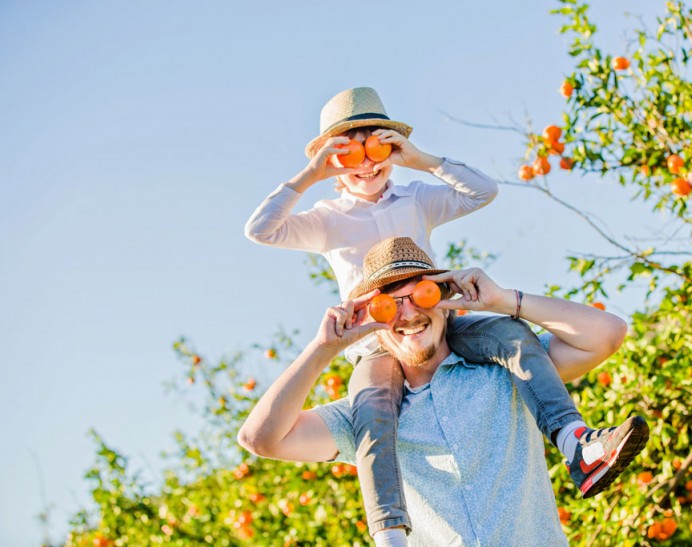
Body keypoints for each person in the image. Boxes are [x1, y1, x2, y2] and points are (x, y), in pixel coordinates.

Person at [243, 88, 647, 545]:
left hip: (449, 320)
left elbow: (483, 192)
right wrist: (311, 175)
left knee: (514, 335)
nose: (366, 162)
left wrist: (422, 160)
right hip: (371, 344)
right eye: (349, 152)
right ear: (333, 161)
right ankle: (390, 533)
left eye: (376, 145)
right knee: (374, 423)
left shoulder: (415, 198)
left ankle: (577, 442)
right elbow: (261, 230)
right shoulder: (326, 217)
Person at [238, 237, 649, 546]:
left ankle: (577, 443)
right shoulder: (365, 417)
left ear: (443, 298)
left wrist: (505, 300)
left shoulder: (506, 370)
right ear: (373, 320)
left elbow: (607, 333)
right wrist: (323, 348)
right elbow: (260, 438)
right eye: (389, 305)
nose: (409, 313)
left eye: (421, 294)